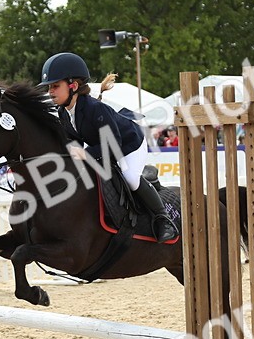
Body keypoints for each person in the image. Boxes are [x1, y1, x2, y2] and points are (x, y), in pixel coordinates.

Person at [39, 52, 178, 243]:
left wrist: (85, 154)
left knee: (130, 178)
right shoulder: (63, 112)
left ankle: (164, 220)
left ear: (73, 86)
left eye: (55, 86)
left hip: (130, 145)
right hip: (104, 146)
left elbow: (114, 144)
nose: (50, 92)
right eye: (49, 87)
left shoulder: (95, 108)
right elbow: (74, 142)